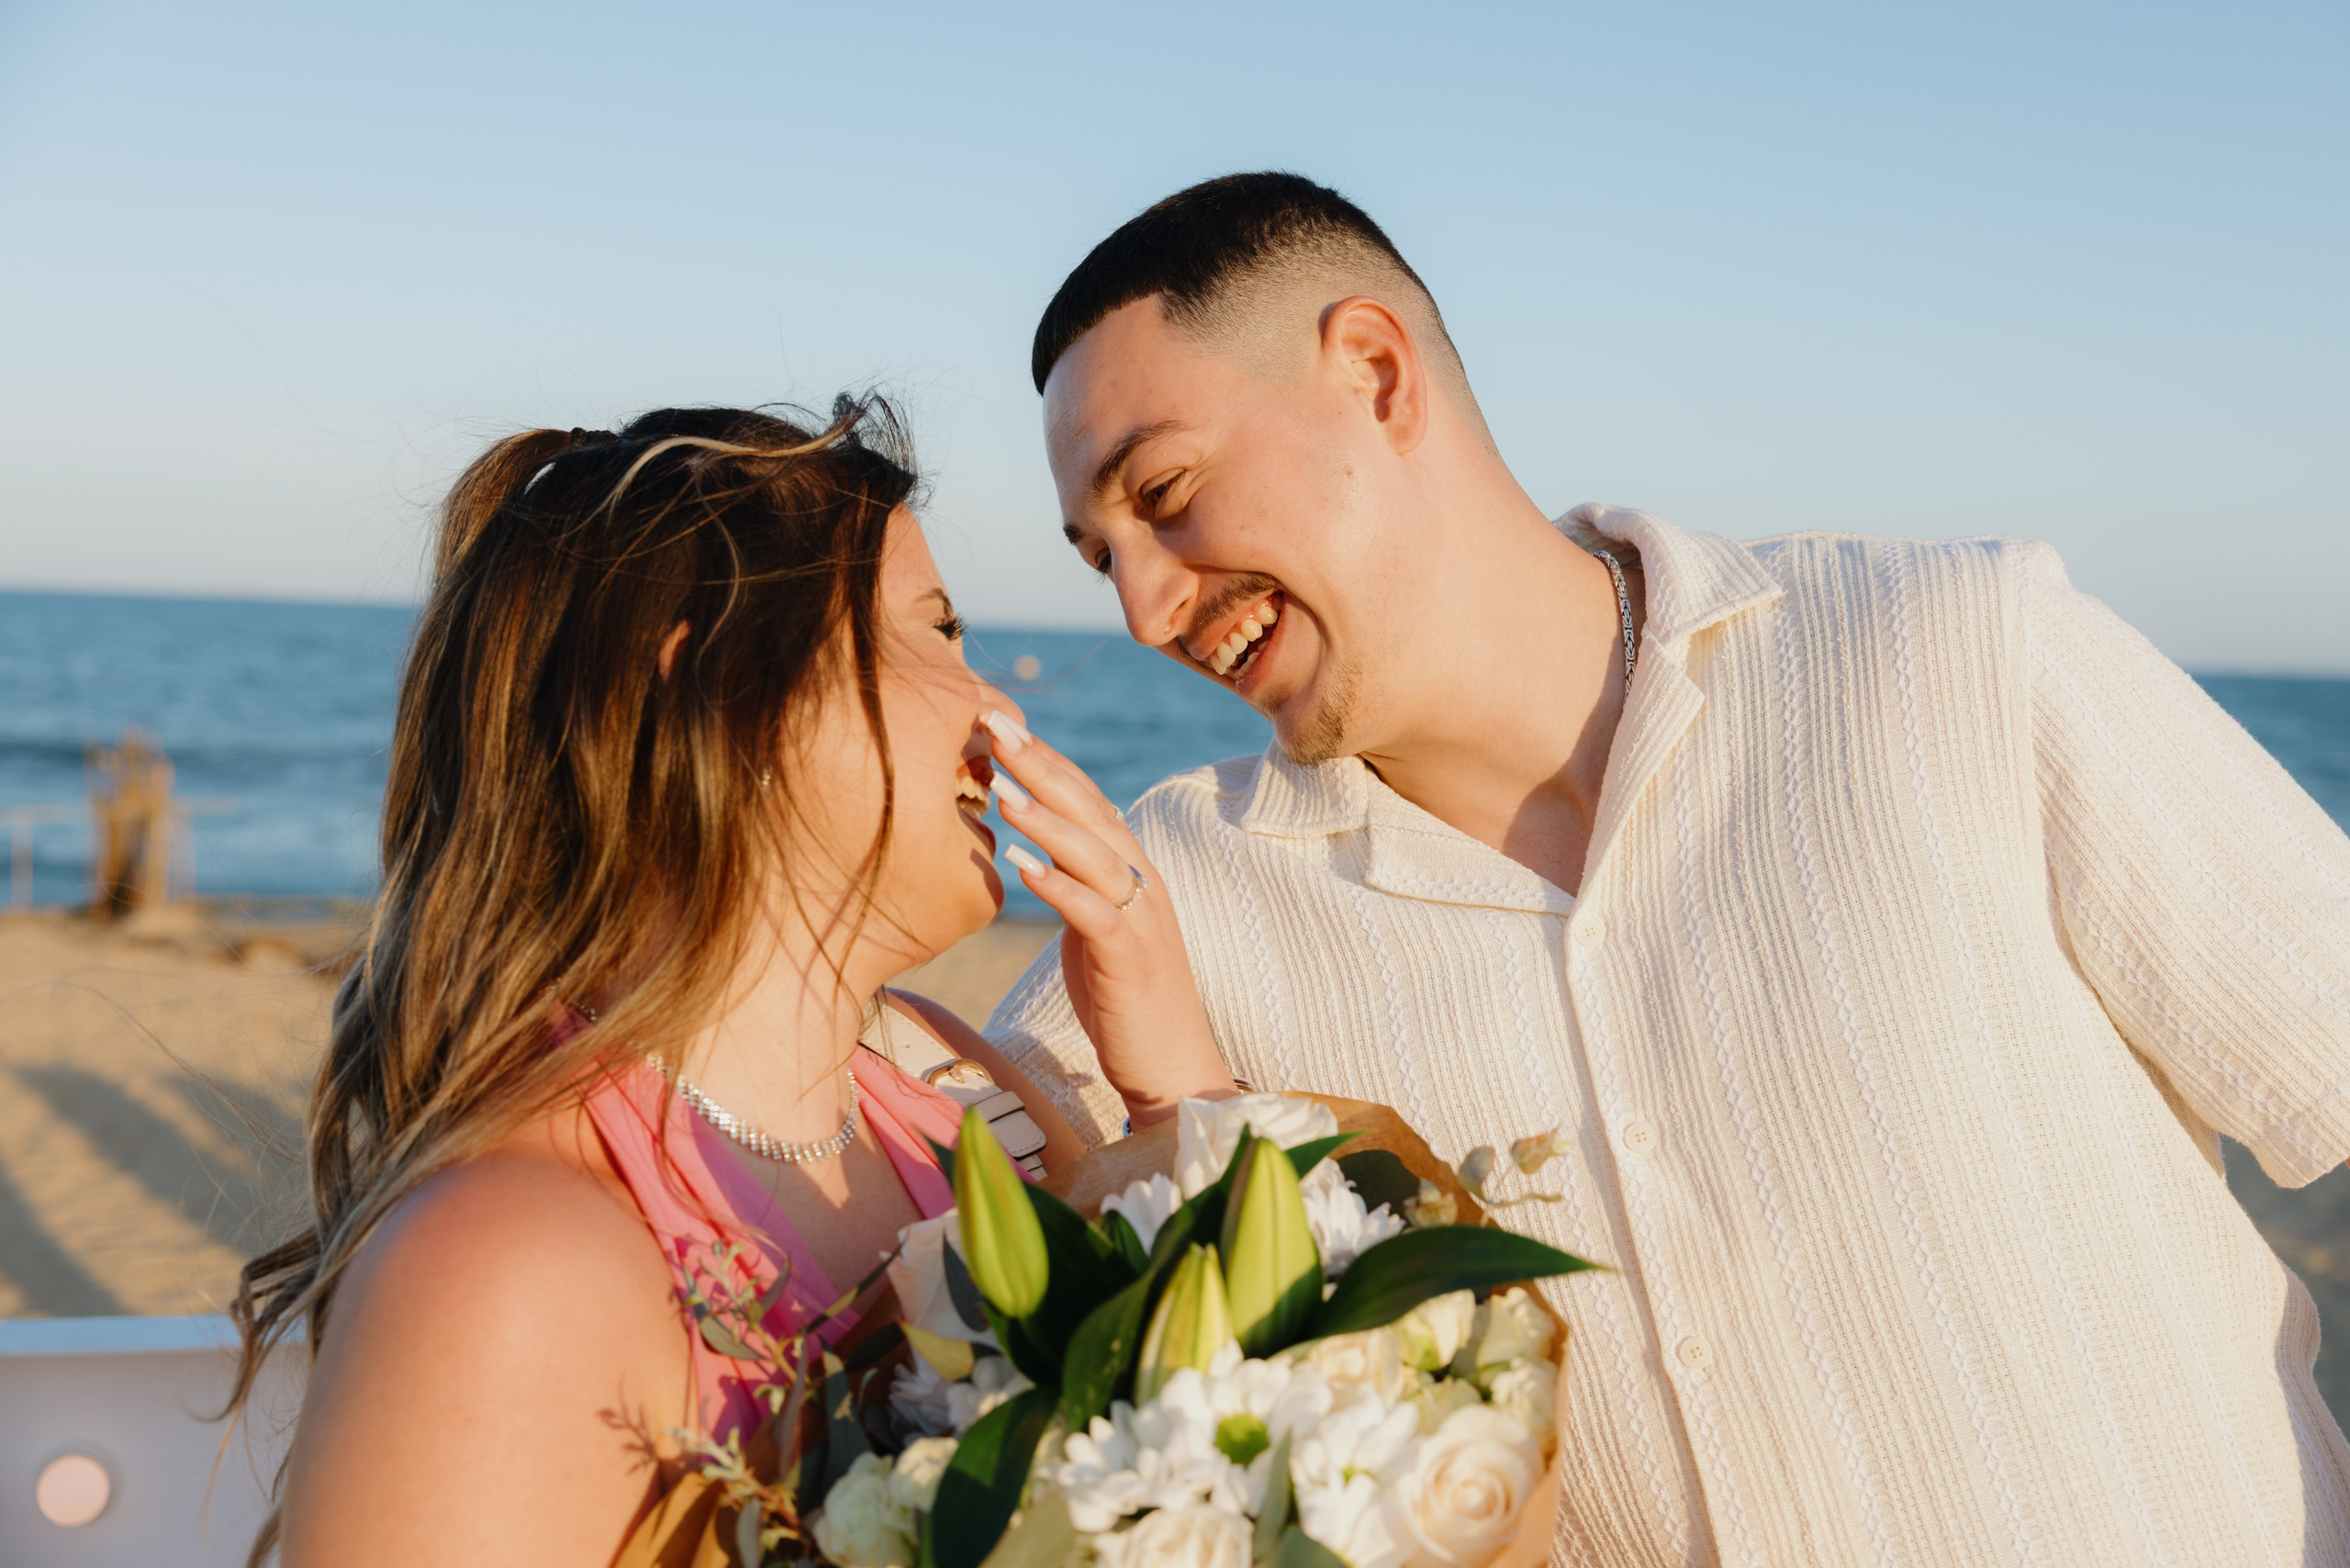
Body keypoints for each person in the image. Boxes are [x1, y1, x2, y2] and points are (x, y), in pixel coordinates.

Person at [989, 172, 2350, 1565]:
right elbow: (890, 1209)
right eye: (1102, 557)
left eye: (1162, 494)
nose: (1145, 608)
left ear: (1375, 372)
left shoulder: (1952, 654)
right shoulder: (1184, 892)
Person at [225, 400, 1189, 1566]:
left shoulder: (948, 1087)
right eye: (934, 632)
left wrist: (1170, 1081)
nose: (997, 710)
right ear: (719, 680)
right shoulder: (500, 1272)